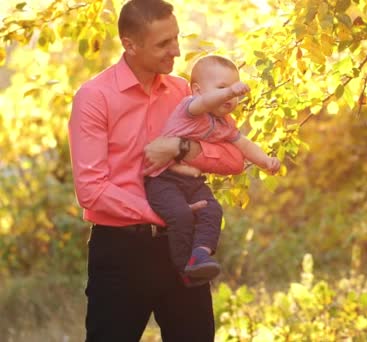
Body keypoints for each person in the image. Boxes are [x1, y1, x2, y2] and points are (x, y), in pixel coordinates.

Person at [68, 0, 244, 340]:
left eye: (176, 38)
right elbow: (91, 189)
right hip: (121, 253)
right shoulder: (94, 97)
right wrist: (168, 214)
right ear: (130, 44)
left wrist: (184, 148)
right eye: (164, 43)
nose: (176, 51)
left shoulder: (186, 93)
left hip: (182, 249)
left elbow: (235, 159)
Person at [145, 55, 280, 287]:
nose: (231, 95)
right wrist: (230, 92)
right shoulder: (190, 107)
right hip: (163, 180)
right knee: (181, 215)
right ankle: (184, 270)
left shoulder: (225, 123)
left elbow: (244, 145)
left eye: (234, 91)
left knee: (212, 211)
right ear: (197, 90)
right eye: (222, 87)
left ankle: (200, 254)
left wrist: (265, 161)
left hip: (193, 183)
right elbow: (205, 102)